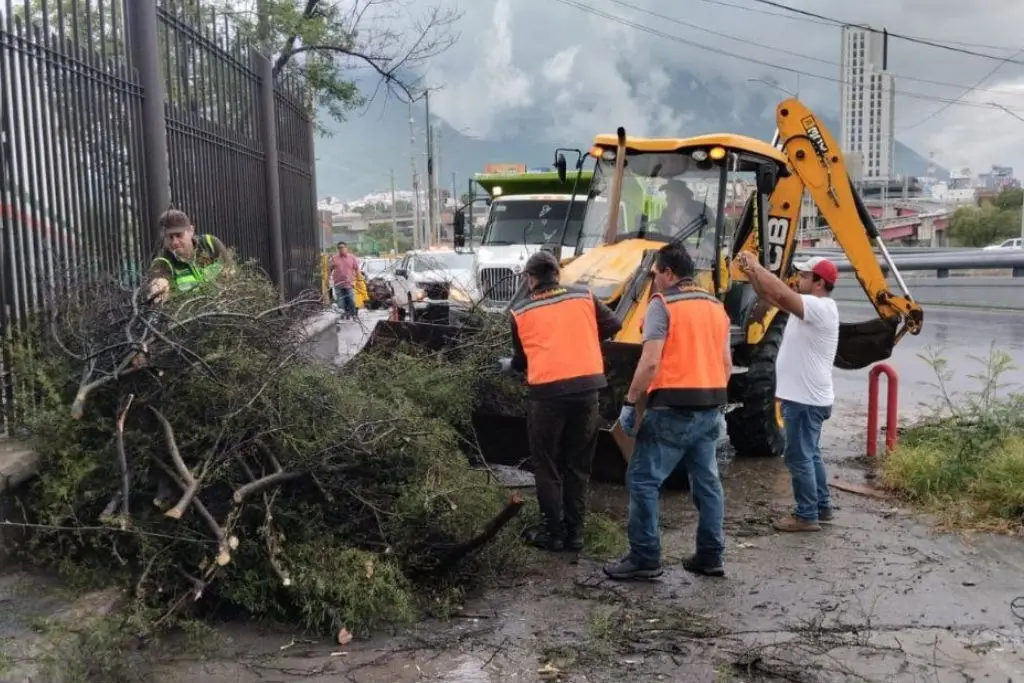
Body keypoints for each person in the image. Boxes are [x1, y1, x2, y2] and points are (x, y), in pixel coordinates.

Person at [603, 243, 731, 580]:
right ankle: (710, 556)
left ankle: (645, 558)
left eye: (656, 274)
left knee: (643, 480)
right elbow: (726, 363)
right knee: (707, 484)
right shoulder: (716, 306)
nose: (654, 280)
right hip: (709, 409)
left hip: (672, 410)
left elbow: (650, 361)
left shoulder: (663, 305)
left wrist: (630, 402)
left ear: (669, 274)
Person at [498, 251, 622, 552]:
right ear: (557, 274)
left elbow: (522, 360)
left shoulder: (522, 311)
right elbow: (614, 324)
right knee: (578, 464)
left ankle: (553, 533)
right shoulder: (583, 297)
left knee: (548, 465)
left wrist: (506, 365)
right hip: (586, 392)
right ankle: (576, 533)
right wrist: (583, 337)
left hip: (548, 396)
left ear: (530, 278)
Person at [736, 252, 840, 533]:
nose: (800, 279)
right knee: (812, 454)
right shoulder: (809, 307)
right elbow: (771, 296)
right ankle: (822, 506)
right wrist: (753, 275)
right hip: (809, 398)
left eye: (806, 276)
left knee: (799, 457)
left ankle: (806, 515)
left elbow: (781, 292)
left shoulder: (819, 307)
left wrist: (758, 266)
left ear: (819, 283)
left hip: (805, 401)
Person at [147, 209, 230, 304]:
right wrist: (159, 287)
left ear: (191, 231)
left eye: (179, 235)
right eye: (170, 237)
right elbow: (158, 280)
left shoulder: (210, 244)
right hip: (191, 314)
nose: (175, 242)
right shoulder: (163, 261)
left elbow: (231, 272)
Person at [329, 242, 360, 320]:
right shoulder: (334, 258)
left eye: (342, 247)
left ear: (346, 248)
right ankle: (343, 315)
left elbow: (357, 269)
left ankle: (353, 315)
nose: (341, 249)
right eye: (339, 248)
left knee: (351, 300)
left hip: (349, 283)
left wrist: (358, 280)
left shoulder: (352, 258)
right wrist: (328, 280)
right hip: (338, 284)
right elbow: (329, 269)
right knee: (341, 301)